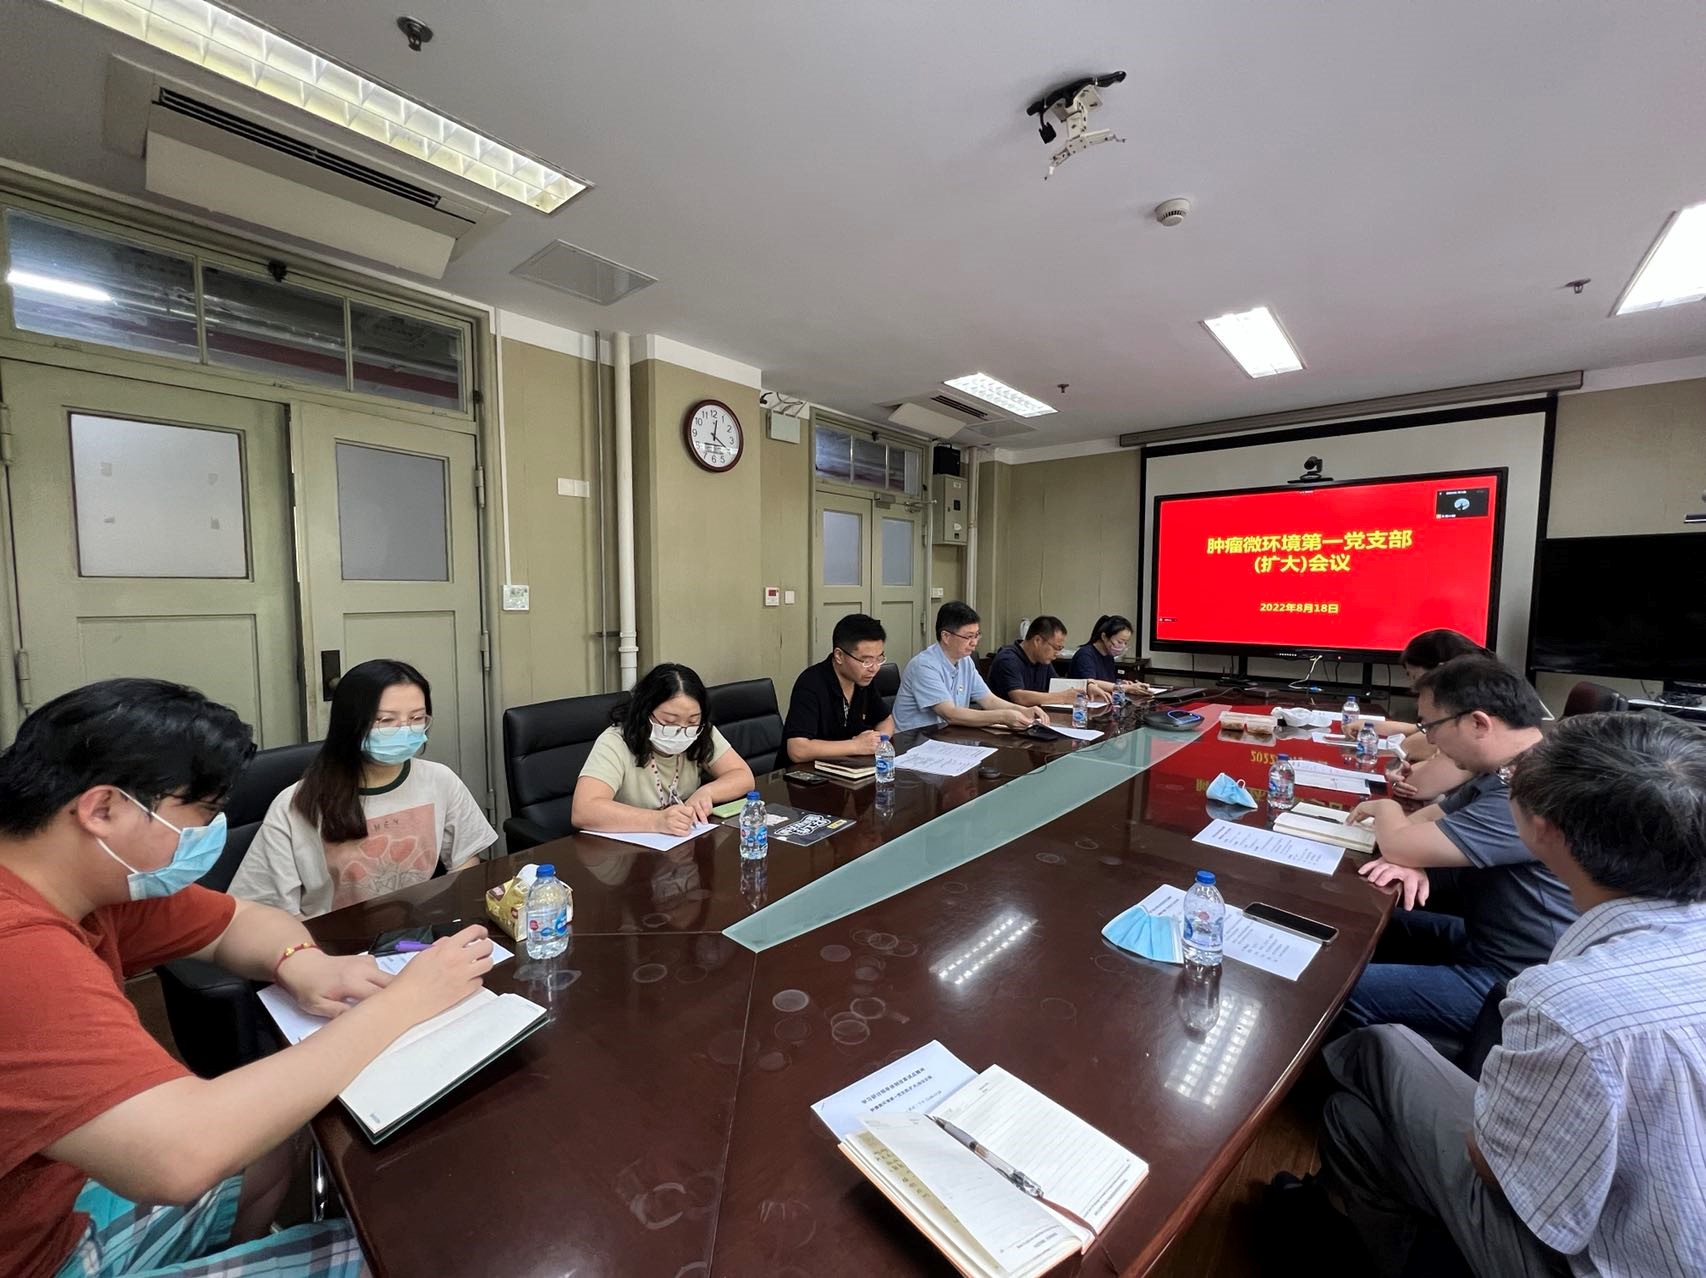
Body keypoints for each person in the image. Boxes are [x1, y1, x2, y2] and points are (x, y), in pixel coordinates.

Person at [0, 678, 494, 1278]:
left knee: (266, 1147)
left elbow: (239, 921)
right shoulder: (20, 954)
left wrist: (304, 962)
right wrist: (402, 1004)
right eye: (202, 814)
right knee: (420, 1251)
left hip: (53, 1211)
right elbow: (177, 1154)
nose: (211, 832)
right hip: (32, 1260)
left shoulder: (87, 884)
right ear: (102, 809)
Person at [1279, 711, 1706, 1277]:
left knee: (1380, 1047)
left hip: (1587, 1261)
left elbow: (1501, 1172)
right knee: (1354, 1116)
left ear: (1543, 829)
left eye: (1512, 785)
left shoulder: (1570, 1004)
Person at [1339, 654, 1576, 1046]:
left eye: (1431, 726)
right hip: (1486, 940)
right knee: (1355, 925)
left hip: (1514, 979)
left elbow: (1400, 840)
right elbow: (1419, 828)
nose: (1430, 741)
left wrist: (1385, 810)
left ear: (1478, 723)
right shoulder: (1506, 771)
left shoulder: (1532, 790)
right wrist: (1415, 855)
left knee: (1336, 990)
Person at [231, 659, 496, 918]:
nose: (404, 730)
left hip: (418, 930)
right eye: (385, 720)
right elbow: (263, 910)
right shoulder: (298, 803)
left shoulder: (440, 780)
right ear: (350, 723)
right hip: (330, 940)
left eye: (416, 718)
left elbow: (465, 861)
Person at [571, 662, 757, 835]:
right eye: (669, 721)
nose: (682, 730)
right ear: (645, 712)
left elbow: (743, 776)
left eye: (692, 721)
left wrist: (707, 792)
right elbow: (583, 810)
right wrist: (657, 821)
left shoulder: (700, 732)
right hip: (625, 850)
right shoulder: (616, 741)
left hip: (680, 845)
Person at [890, 602, 1048, 733]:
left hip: (946, 736)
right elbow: (950, 714)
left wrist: (1023, 710)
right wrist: (1003, 717)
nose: (974, 642)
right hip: (913, 742)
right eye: (968, 636)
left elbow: (989, 700)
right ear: (946, 636)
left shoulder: (965, 661)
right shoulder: (924, 666)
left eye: (977, 635)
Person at [1373, 629, 1488, 802]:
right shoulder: (1478, 700)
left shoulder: (1469, 722)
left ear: (1440, 673)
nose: (1414, 687)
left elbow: (1417, 786)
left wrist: (1400, 779)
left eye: (1416, 677)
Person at [783, 613, 897, 764]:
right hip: (807, 773)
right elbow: (797, 749)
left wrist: (877, 741)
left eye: (879, 659)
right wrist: (856, 746)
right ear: (839, 656)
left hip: (849, 767)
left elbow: (886, 720)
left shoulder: (863, 680)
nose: (874, 668)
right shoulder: (811, 683)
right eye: (866, 661)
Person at [986, 615, 1076, 707]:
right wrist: (1063, 697)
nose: (1057, 653)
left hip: (1032, 714)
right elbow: (1019, 697)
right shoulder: (1008, 659)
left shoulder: (1042, 660)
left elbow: (1057, 686)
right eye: (1056, 647)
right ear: (1037, 640)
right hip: (1004, 714)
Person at [1067, 614, 1136, 694]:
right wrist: (1124, 688)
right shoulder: (1085, 655)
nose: (1123, 646)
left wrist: (1122, 684)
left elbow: (1107, 683)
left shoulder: (1109, 656)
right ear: (1104, 636)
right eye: (1120, 642)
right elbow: (1090, 683)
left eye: (1125, 643)